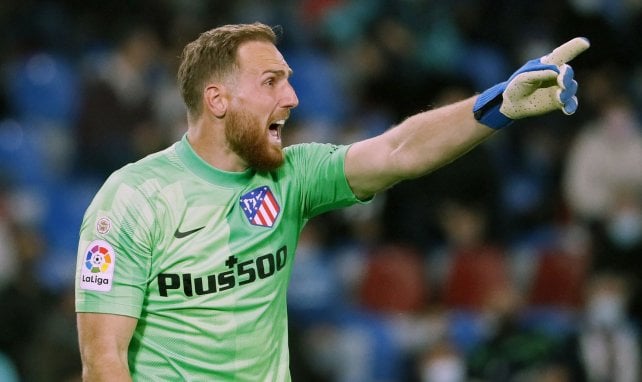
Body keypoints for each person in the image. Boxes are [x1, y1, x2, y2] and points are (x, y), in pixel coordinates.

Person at [75, 22, 589, 381]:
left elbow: (398, 150)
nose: (292, 99)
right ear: (217, 100)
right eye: (271, 82)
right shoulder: (133, 199)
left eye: (291, 82)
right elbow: (103, 362)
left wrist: (496, 105)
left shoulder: (292, 176)